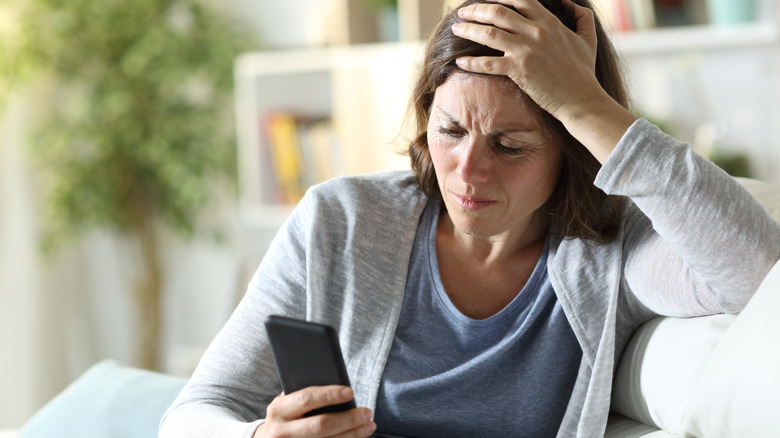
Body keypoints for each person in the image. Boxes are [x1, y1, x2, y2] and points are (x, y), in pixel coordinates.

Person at [159, 0, 780, 437]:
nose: (467, 171)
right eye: (450, 130)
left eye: (510, 146)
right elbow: (195, 412)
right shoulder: (339, 221)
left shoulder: (614, 248)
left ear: (572, 148)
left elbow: (757, 275)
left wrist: (587, 103)